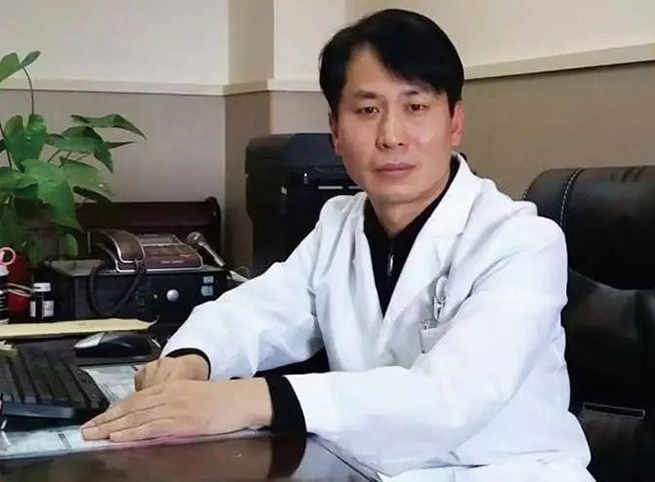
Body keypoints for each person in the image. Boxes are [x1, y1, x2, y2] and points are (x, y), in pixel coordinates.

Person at [82, 8, 594, 481]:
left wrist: (255, 399)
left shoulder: (521, 241)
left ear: (454, 123)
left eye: (416, 106)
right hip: (368, 470)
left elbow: (450, 397)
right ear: (335, 131)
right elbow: (261, 310)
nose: (392, 135)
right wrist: (194, 359)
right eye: (367, 110)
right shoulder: (340, 224)